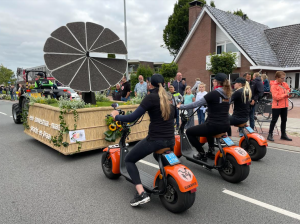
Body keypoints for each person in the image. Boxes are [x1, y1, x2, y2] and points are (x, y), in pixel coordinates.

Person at [111, 74, 176, 206]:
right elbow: (175, 116)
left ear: (150, 84)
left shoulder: (150, 98)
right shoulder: (170, 97)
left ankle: (141, 194)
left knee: (129, 160)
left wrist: (116, 116)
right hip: (170, 139)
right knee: (156, 153)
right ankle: (167, 180)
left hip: (155, 139)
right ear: (163, 84)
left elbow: (132, 117)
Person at [178, 73, 231, 161]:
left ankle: (201, 153)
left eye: (214, 81)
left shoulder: (213, 93)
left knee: (189, 132)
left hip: (214, 125)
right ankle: (211, 151)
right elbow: (220, 104)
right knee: (207, 126)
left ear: (217, 82)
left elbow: (196, 104)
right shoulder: (228, 93)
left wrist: (181, 106)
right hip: (226, 124)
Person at [267, 71, 292, 142]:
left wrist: (290, 94)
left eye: (284, 78)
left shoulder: (285, 84)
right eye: (282, 78)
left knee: (284, 120)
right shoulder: (274, 86)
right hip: (277, 106)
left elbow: (288, 91)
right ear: (277, 78)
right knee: (274, 120)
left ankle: (283, 134)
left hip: (284, 105)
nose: (283, 79)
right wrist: (285, 95)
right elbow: (276, 97)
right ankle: (270, 134)